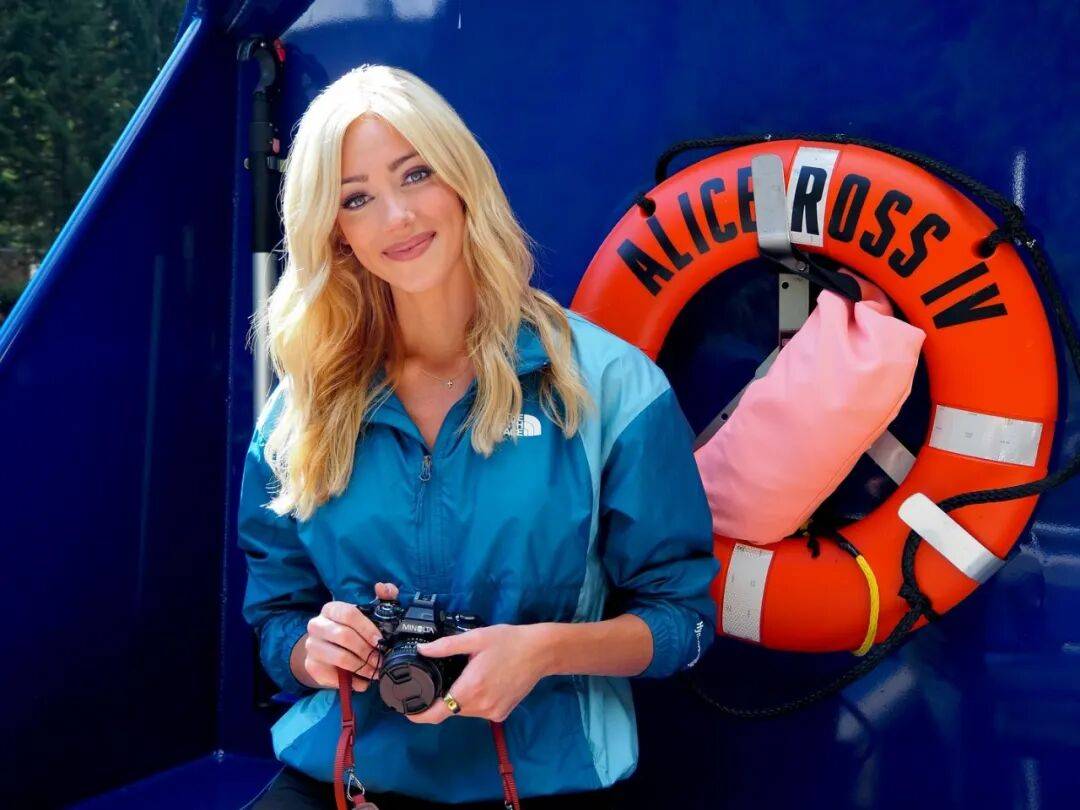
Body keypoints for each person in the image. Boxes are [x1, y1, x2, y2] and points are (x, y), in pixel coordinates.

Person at [237, 63, 719, 809]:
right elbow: (277, 620)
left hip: (545, 783)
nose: (397, 216)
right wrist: (313, 651)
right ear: (335, 232)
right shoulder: (300, 410)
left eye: (416, 173)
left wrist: (544, 651)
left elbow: (684, 622)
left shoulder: (610, 386)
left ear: (462, 179)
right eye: (356, 198)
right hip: (345, 779)